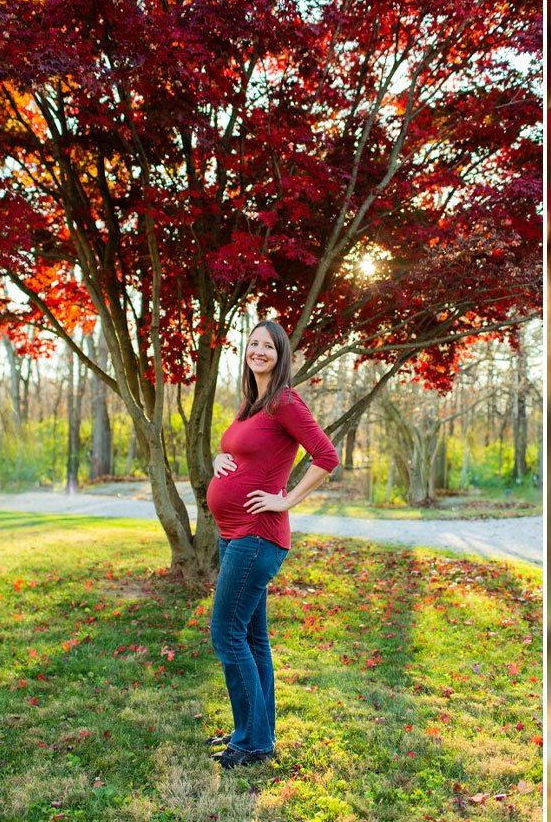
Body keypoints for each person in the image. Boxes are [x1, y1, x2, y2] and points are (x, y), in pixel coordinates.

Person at [205, 319, 339, 769]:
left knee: (226, 634)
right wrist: (221, 457)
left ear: (281, 355)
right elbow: (243, 452)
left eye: (268, 346)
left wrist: (287, 499)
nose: (259, 351)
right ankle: (255, 734)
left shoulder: (284, 400)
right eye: (253, 344)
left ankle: (253, 741)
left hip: (257, 536)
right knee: (253, 638)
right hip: (233, 535)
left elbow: (327, 456)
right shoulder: (252, 402)